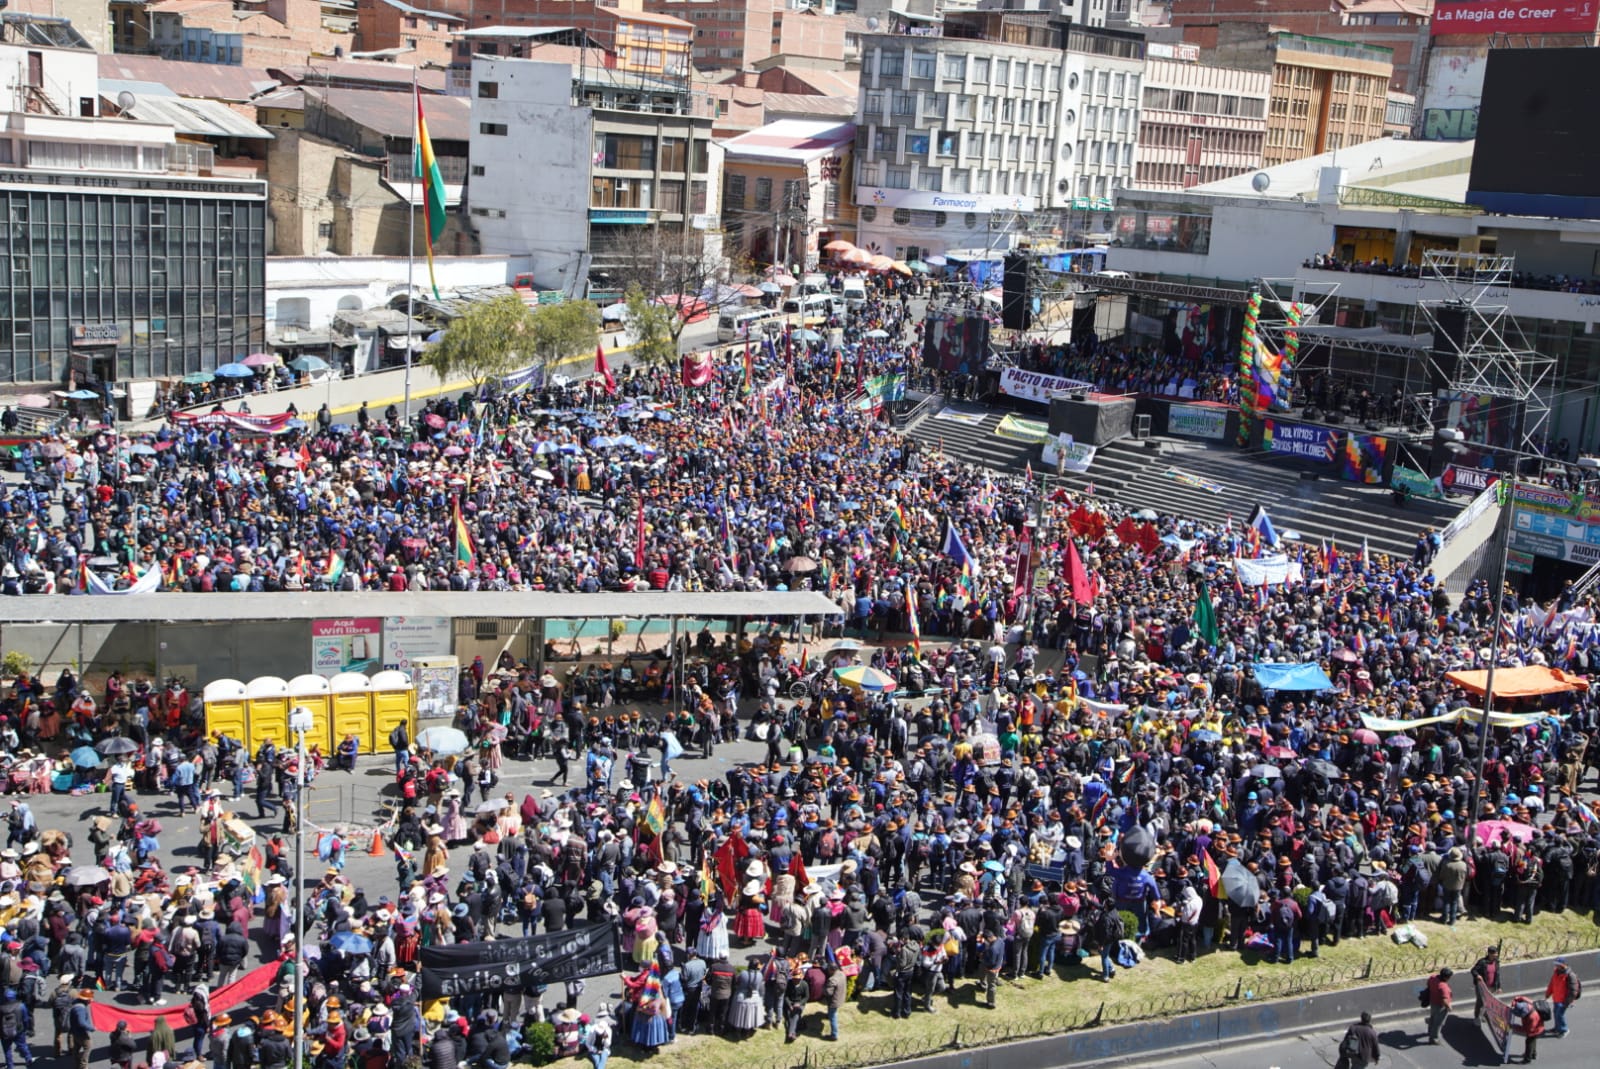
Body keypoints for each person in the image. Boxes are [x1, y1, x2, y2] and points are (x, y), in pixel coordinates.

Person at [1545, 958, 1578, 1037]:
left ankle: (1564, 1030)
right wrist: (1548, 994)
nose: (1556, 966)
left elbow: (1573, 991)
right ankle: (1557, 1028)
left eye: (1558, 964)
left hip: (1563, 1000)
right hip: (1556, 998)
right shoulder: (1556, 973)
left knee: (1560, 1014)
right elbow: (1552, 984)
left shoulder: (1570, 975)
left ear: (1563, 965)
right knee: (1556, 1014)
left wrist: (1567, 1002)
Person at [1472, 946, 1502, 1021]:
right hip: (1482, 987)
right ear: (1489, 954)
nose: (1496, 955)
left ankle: (1483, 1015)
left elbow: (1497, 974)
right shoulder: (1482, 962)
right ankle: (1476, 1017)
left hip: (1491, 986)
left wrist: (1498, 987)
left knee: (1488, 1002)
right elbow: (1473, 970)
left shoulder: (1496, 962)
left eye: (1496, 953)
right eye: (1495, 953)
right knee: (1480, 1002)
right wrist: (1477, 975)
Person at [1512, 994, 1544, 1063]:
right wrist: (1515, 1001)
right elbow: (1521, 998)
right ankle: (1533, 1054)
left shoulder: (1532, 1018)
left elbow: (1527, 1030)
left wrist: (1515, 1027)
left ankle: (1527, 1059)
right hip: (1537, 1027)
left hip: (1535, 1029)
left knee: (1529, 1041)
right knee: (1533, 1040)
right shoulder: (1528, 1004)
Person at [1426, 967, 1454, 1045]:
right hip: (1441, 1006)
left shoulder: (1433, 978)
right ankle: (1434, 1038)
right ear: (1446, 977)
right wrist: (1449, 1007)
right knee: (1438, 1023)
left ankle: (1430, 1031)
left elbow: (1428, 983)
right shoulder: (1443, 986)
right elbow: (1444, 1000)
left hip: (1433, 1002)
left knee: (1432, 1017)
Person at [821, 962, 846, 1041]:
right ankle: (828, 1015)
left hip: (834, 1001)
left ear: (831, 970)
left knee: (833, 1017)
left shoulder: (832, 980)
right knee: (832, 1013)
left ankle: (834, 1035)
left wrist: (823, 988)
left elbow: (828, 992)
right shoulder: (842, 974)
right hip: (841, 997)